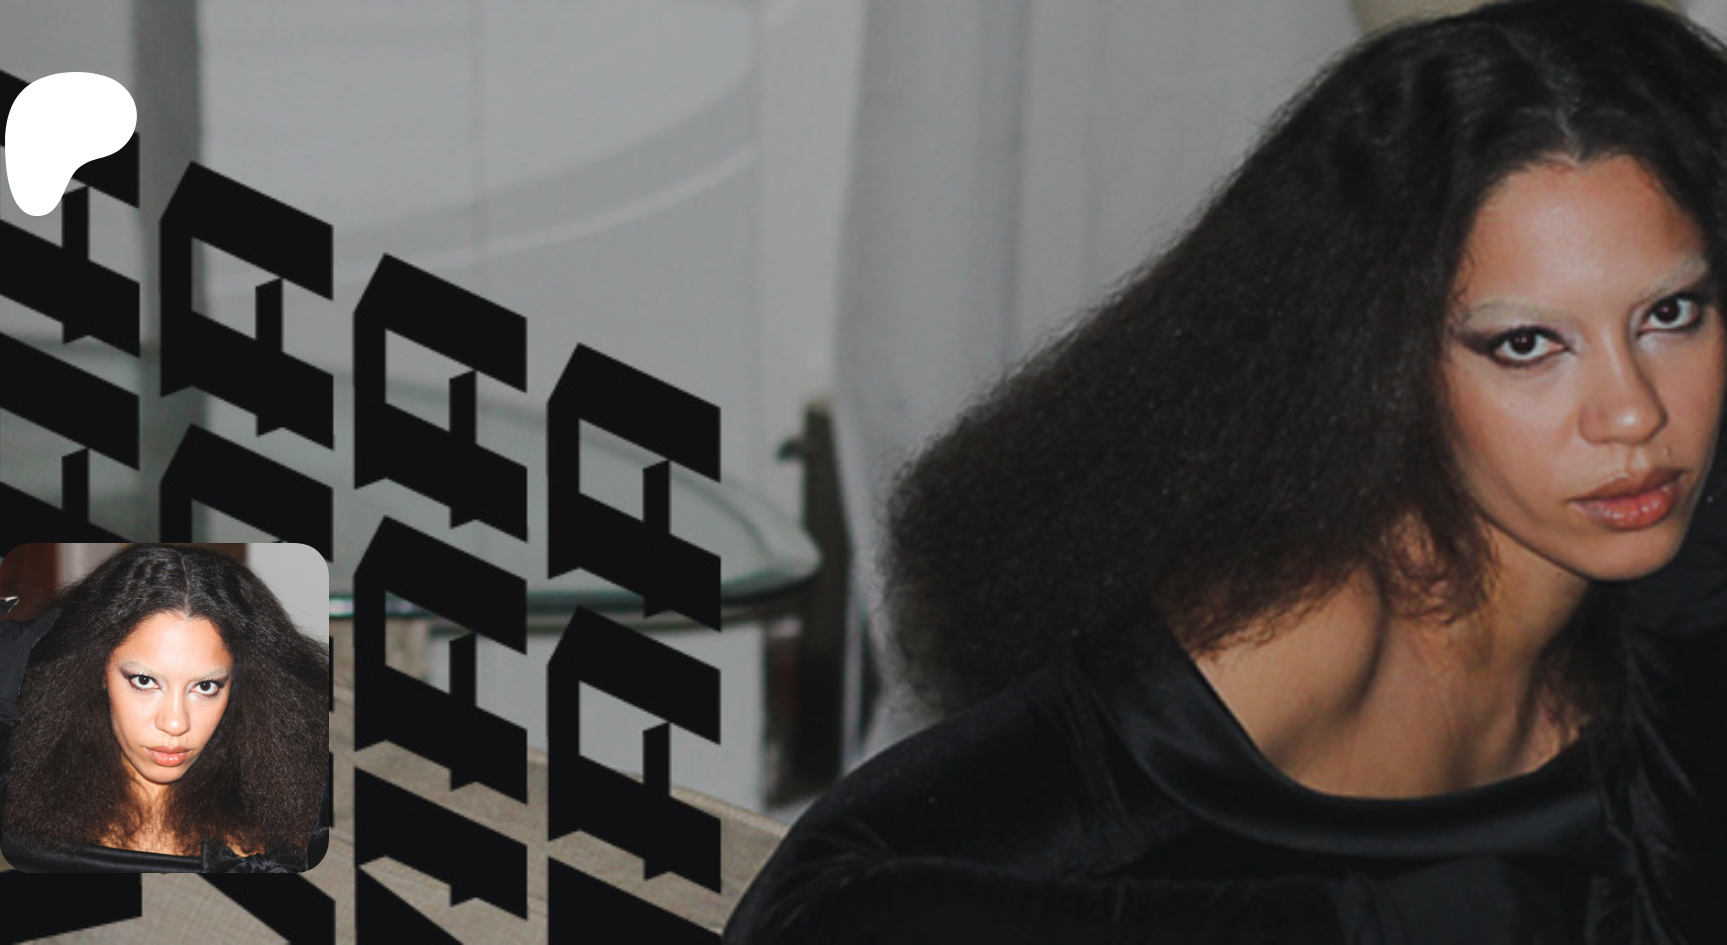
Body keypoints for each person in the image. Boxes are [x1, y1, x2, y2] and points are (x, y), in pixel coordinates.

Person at [726, 0, 1727, 941]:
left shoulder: (1684, 527)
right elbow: (817, 910)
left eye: (1669, 314)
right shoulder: (1301, 628)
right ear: (1386, 359)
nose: (1633, 413)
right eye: (1526, 345)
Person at [0, 544, 331, 873]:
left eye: (205, 687)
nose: (175, 723)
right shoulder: (10, 805)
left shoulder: (298, 824)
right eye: (144, 681)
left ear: (241, 682)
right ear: (96, 670)